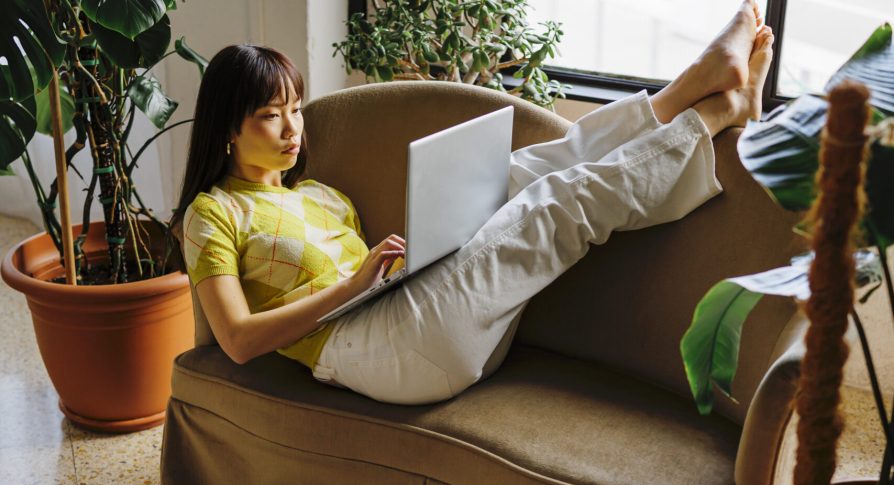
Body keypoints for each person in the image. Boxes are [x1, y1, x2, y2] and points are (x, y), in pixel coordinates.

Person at [172, 0, 774, 405]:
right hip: (376, 354)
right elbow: (240, 340)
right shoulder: (214, 213)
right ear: (229, 128)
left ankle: (690, 87)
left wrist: (410, 256)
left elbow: (384, 281)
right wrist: (356, 285)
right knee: (554, 203)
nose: (292, 129)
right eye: (270, 116)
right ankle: (720, 111)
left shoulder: (321, 196)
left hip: (422, 319)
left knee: (522, 172)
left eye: (296, 109)